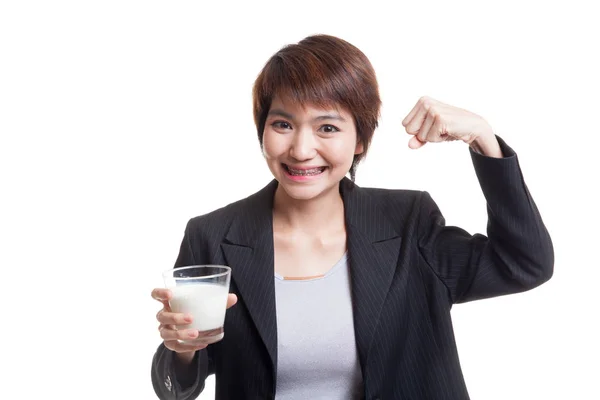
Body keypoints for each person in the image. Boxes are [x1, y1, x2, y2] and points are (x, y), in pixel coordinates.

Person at [150, 34, 553, 400]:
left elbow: (524, 263)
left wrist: (482, 136)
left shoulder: (408, 223)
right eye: (283, 124)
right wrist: (182, 350)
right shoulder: (213, 235)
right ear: (263, 132)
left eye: (327, 127)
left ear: (360, 139)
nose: (301, 149)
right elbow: (176, 387)